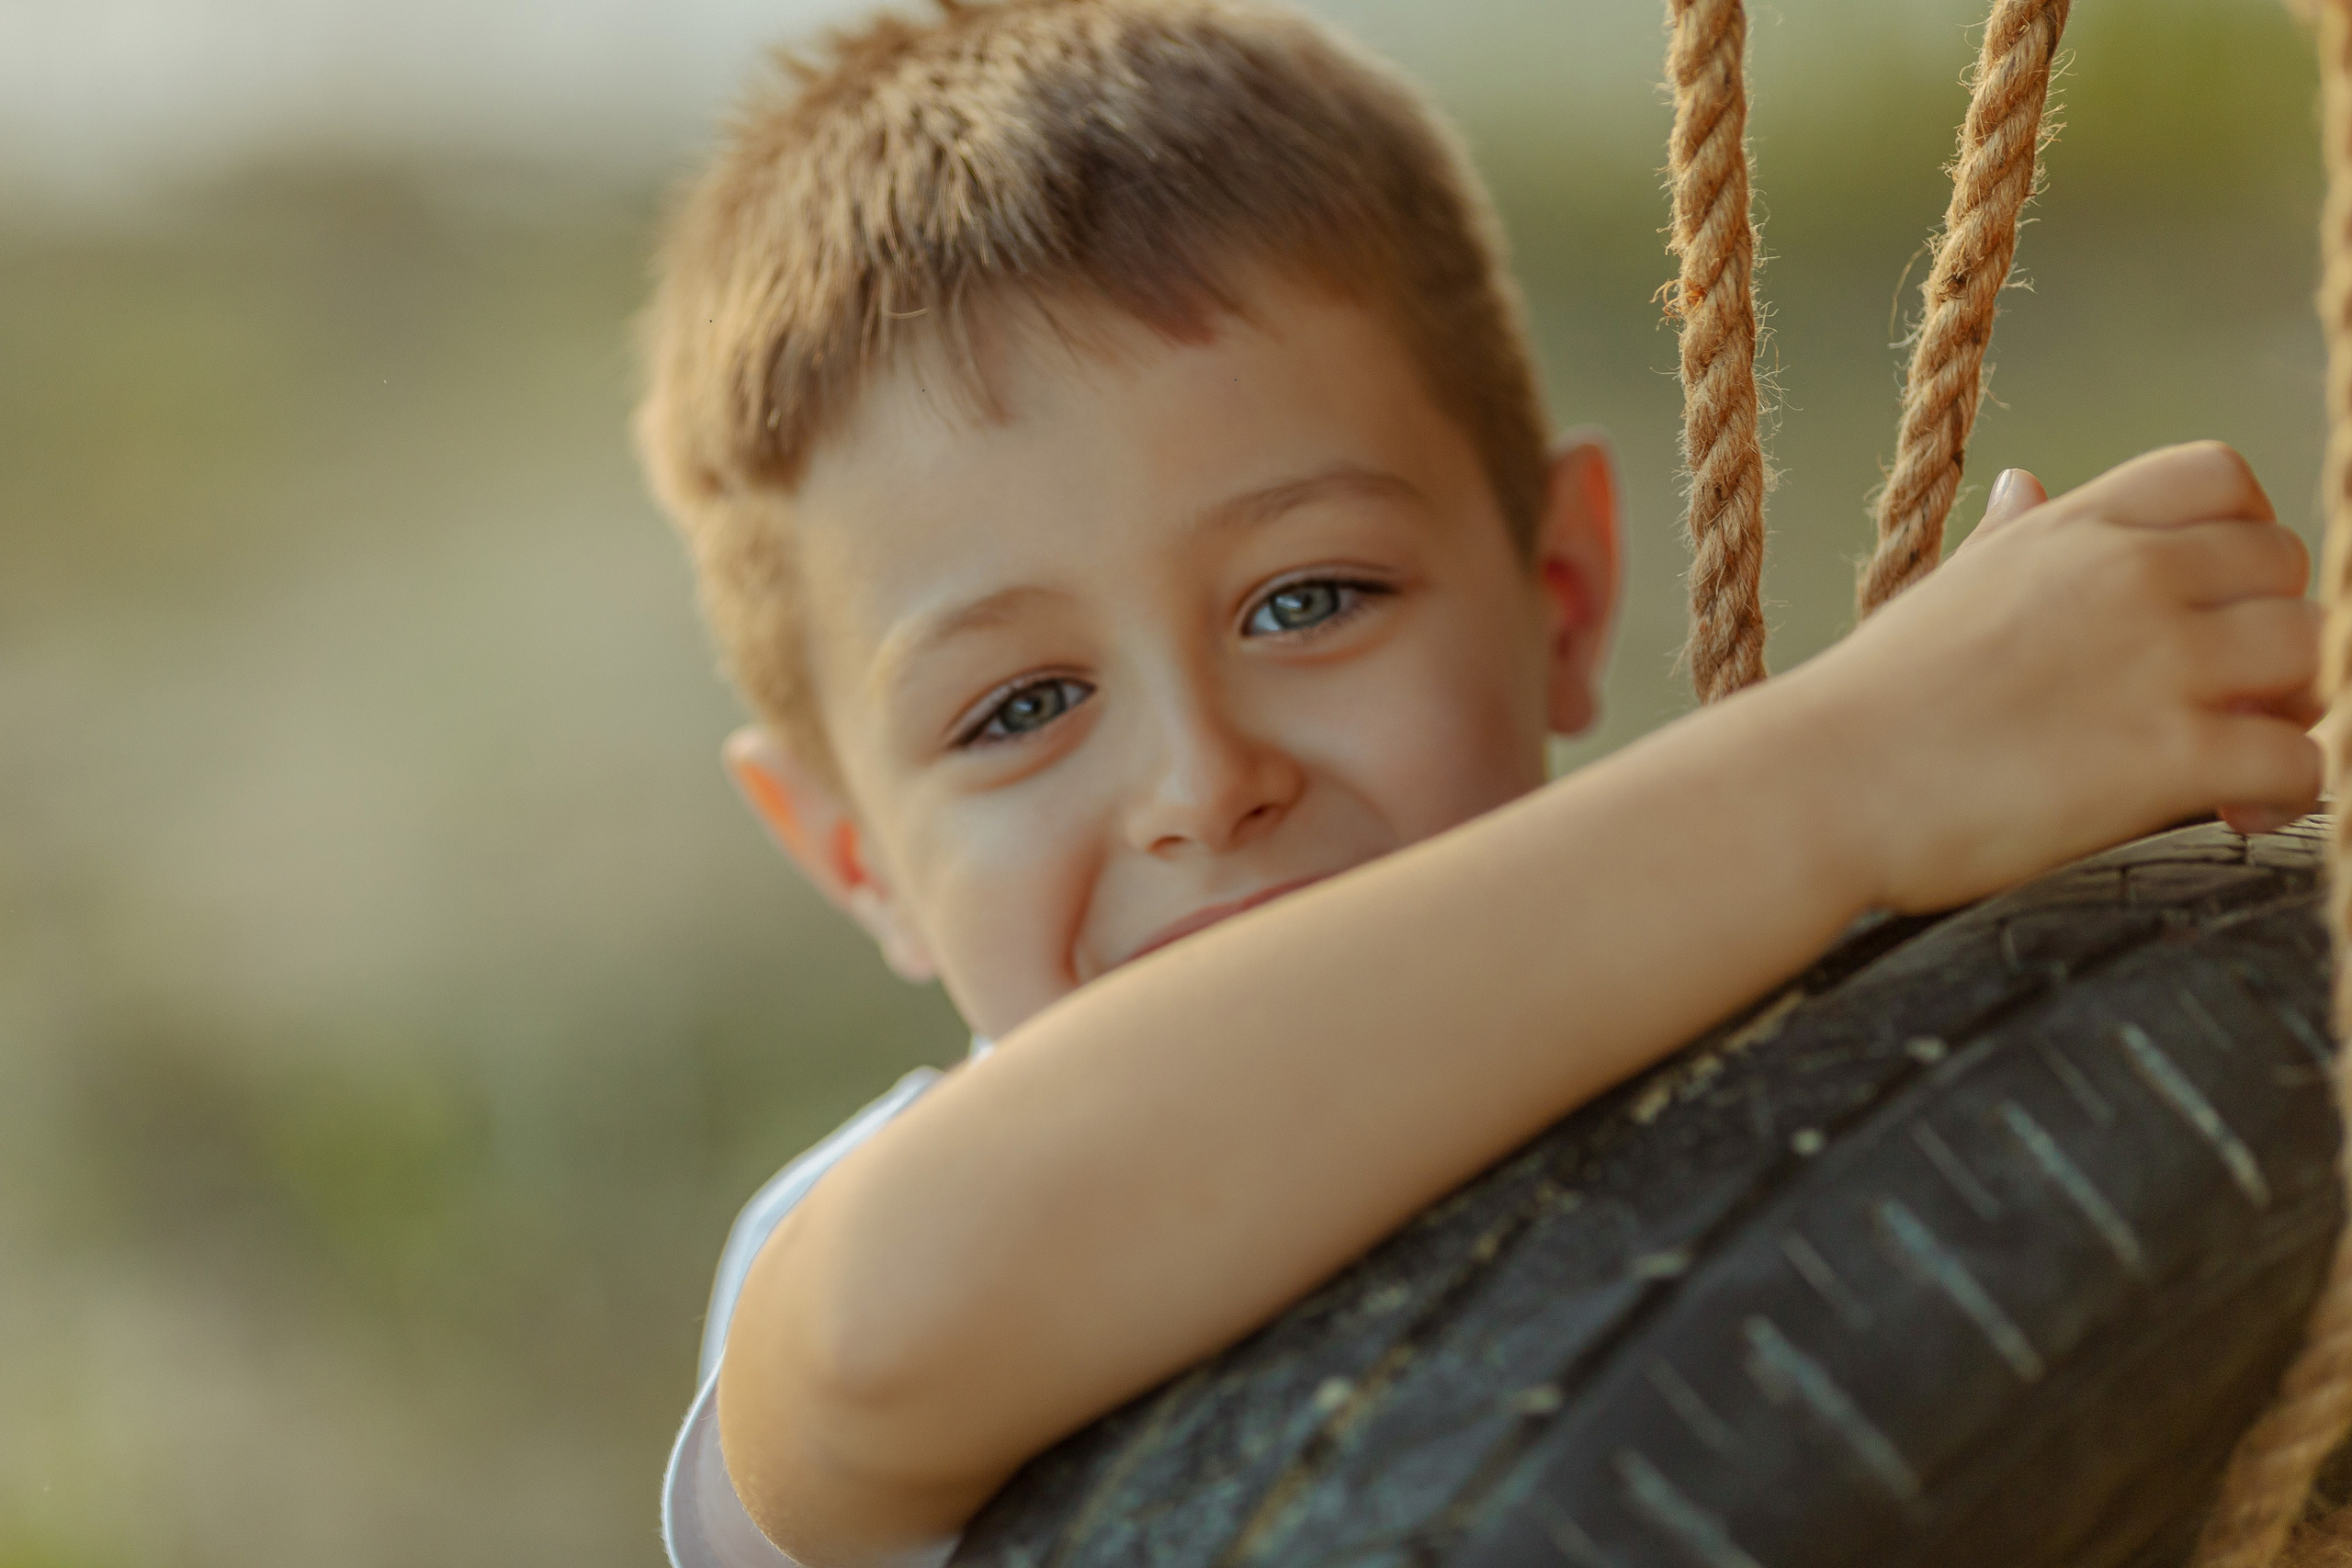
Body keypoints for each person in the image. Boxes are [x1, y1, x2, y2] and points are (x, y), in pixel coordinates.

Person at [630, 2, 2328, 1563]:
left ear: (1566, 595)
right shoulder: (889, 1231)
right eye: (1019, 708)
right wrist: (1854, 768)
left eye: (1309, 601)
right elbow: (881, 1328)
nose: (1202, 783)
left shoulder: (1782, 1031)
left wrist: (2067, 897)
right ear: (851, 854)